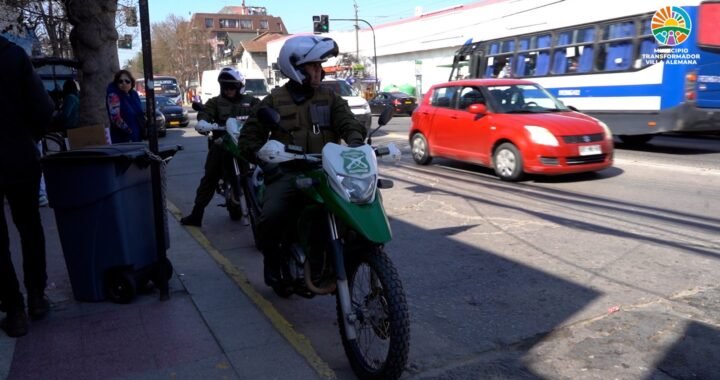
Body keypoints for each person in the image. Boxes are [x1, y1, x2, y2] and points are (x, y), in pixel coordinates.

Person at [238, 36, 366, 287]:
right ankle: (273, 260)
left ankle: (351, 260)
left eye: (320, 65)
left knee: (361, 206)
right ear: (296, 67)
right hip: (288, 172)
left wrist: (355, 143)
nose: (320, 70)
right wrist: (267, 160)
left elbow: (348, 123)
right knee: (271, 216)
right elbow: (248, 140)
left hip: (327, 172)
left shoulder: (330, 98)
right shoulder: (274, 100)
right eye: (314, 65)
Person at [0, 35, 55, 337]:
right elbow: (43, 109)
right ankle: (36, 297)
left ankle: (14, 309)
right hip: (19, 156)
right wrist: (26, 139)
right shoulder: (14, 56)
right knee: (30, 228)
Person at [180, 67, 260, 227]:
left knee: (266, 170)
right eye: (225, 86)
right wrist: (203, 123)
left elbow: (263, 111)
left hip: (244, 145)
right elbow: (205, 114)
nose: (229, 90)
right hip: (222, 145)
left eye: (232, 86)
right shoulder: (214, 102)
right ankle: (197, 214)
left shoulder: (251, 101)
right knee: (210, 177)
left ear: (239, 86)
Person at [106, 69, 144, 143]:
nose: (124, 83)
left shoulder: (133, 94)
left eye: (127, 81)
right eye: (120, 81)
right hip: (123, 139)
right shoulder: (113, 96)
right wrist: (129, 131)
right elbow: (115, 118)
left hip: (137, 137)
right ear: (116, 83)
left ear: (131, 83)